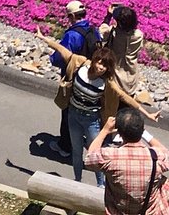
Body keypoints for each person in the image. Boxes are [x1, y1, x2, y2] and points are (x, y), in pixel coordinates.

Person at [36, 30, 128, 186]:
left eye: (104, 65)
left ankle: (101, 185)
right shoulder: (81, 65)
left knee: (94, 154)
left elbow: (124, 97)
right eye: (99, 62)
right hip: (73, 116)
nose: (100, 67)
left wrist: (146, 112)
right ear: (94, 60)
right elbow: (61, 49)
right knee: (76, 153)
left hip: (91, 120)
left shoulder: (106, 82)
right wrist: (43, 37)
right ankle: (77, 182)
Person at [84, 108, 169, 215]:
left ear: (120, 133)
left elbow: (90, 157)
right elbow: (167, 154)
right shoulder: (155, 156)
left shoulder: (110, 156)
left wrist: (104, 131)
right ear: (141, 130)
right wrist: (144, 134)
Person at [47, 0, 102, 158]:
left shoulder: (72, 34)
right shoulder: (93, 29)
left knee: (68, 112)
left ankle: (65, 146)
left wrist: (52, 59)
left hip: (74, 77)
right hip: (89, 77)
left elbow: (61, 57)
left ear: (71, 16)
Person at [102, 4, 146, 101]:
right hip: (131, 76)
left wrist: (108, 16)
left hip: (115, 77)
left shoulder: (114, 34)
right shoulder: (139, 35)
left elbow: (102, 32)